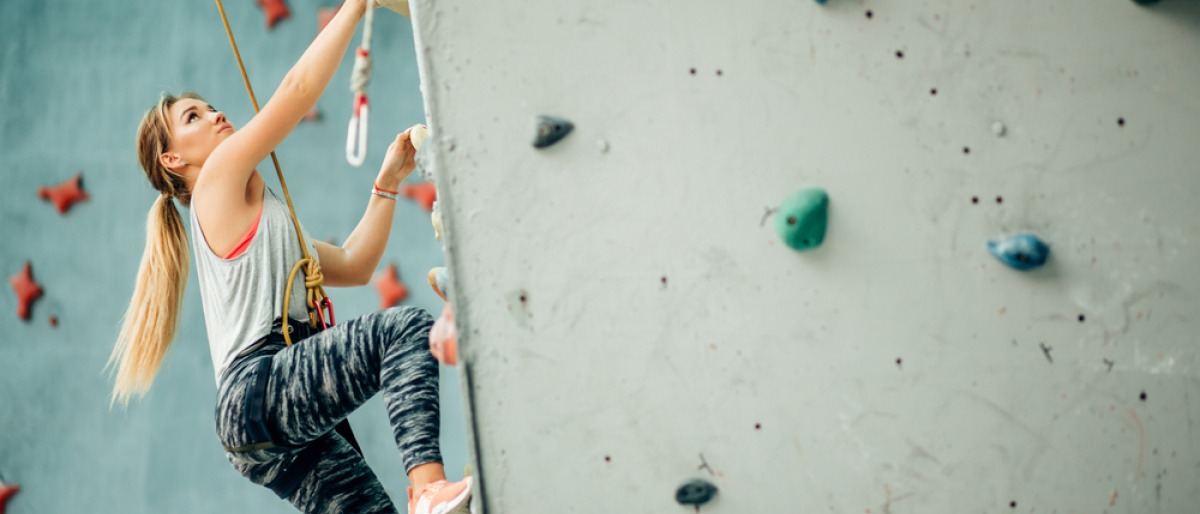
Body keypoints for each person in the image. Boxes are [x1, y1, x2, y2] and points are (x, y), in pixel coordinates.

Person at [106, 1, 472, 512]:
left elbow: (354, 264)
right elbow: (297, 93)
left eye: (207, 105)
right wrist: (356, 5)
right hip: (261, 387)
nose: (215, 113)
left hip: (253, 426)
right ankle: (429, 487)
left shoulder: (266, 228)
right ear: (174, 160)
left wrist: (386, 185)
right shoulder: (212, 182)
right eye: (193, 116)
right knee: (406, 332)